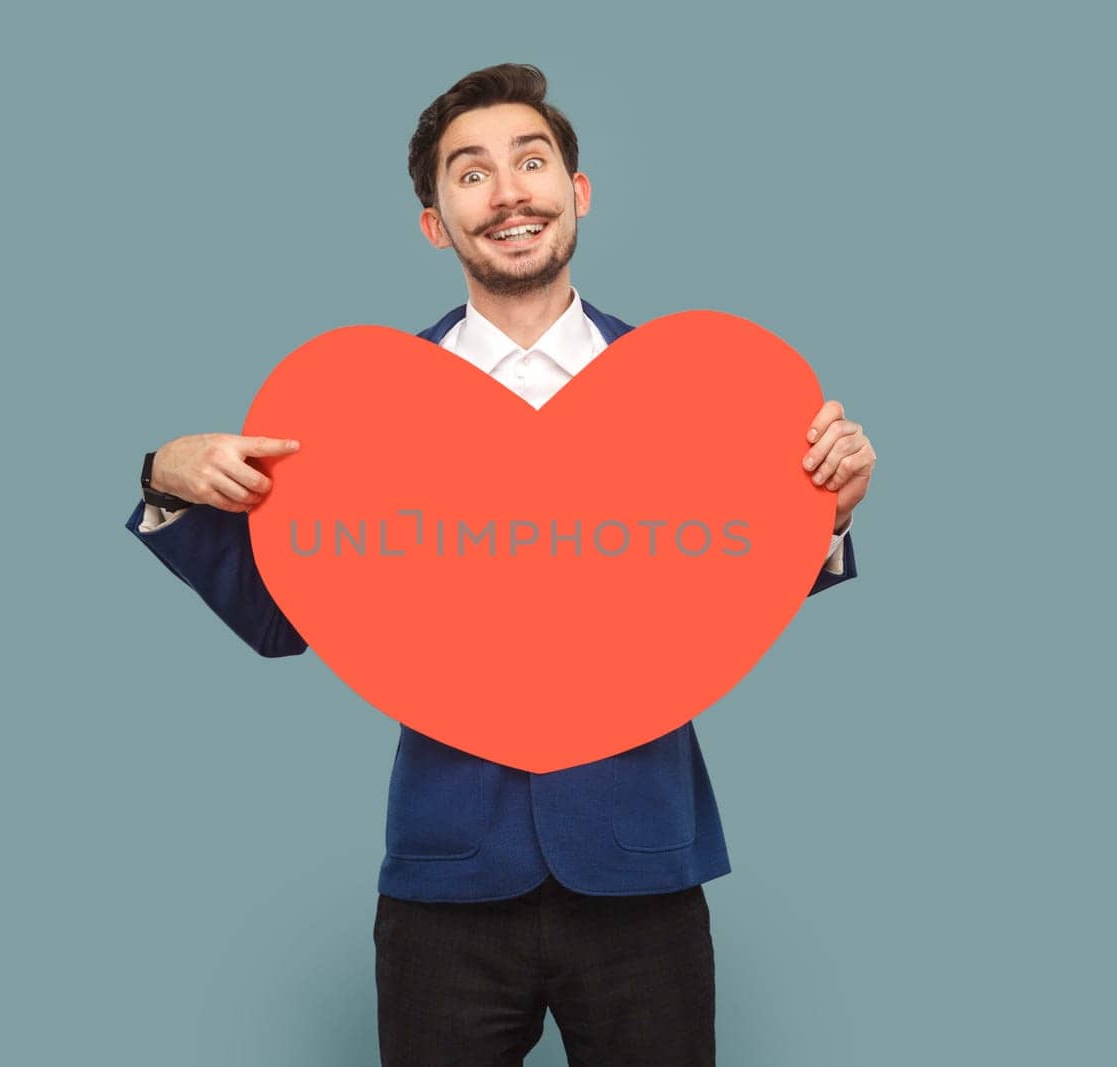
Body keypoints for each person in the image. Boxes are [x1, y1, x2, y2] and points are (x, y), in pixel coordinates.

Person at [127, 63, 875, 1066]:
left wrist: (822, 506)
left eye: (532, 161)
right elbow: (281, 617)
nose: (509, 189)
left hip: (641, 869)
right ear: (435, 221)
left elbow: (735, 588)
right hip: (449, 879)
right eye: (469, 173)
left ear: (579, 193)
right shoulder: (359, 416)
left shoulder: (706, 398)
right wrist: (166, 478)